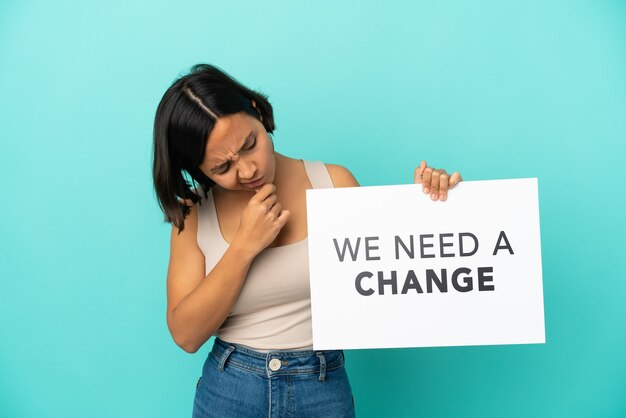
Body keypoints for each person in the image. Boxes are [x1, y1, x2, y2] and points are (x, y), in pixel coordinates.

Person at [152, 64, 462, 418]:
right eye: (222, 169)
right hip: (230, 389)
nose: (248, 170)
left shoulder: (333, 182)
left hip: (321, 386)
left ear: (257, 111)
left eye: (250, 145)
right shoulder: (194, 215)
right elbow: (186, 335)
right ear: (198, 170)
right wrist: (244, 247)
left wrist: (432, 204)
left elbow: (393, 277)